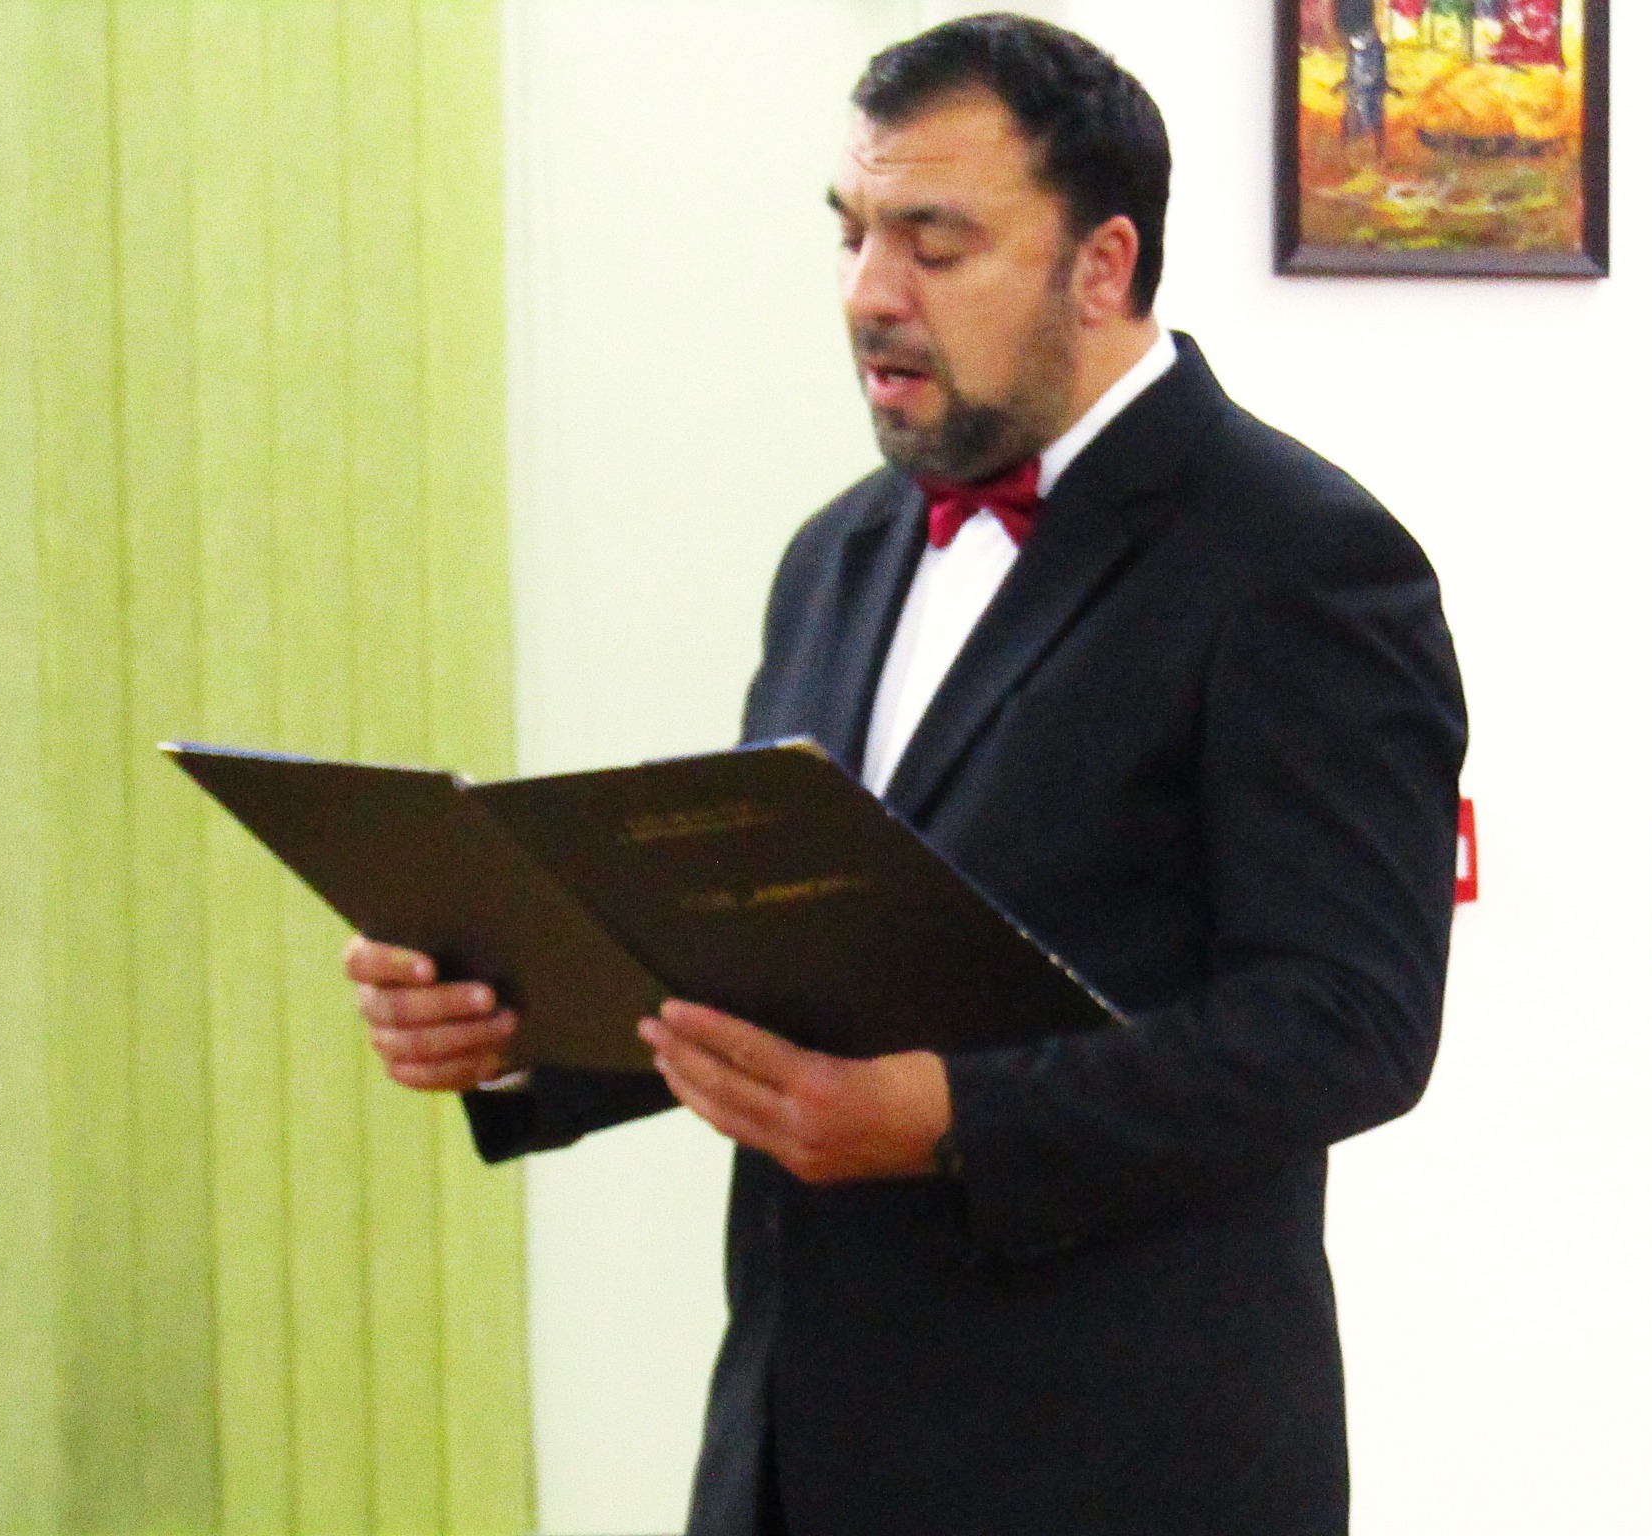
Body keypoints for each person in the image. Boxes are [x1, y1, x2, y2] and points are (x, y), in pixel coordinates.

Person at [349, 15, 1466, 1536]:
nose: (870, 292)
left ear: (1102, 264)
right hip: (798, 1457)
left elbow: (1346, 1027)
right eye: (853, 233)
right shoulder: (841, 550)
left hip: (1119, 1470)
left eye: (935, 243)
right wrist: (517, 1026)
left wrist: (947, 1118)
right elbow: (775, 955)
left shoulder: (1301, 558)